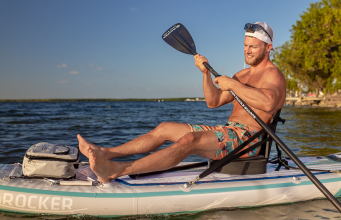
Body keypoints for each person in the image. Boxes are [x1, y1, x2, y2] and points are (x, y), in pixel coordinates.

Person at [77, 22, 286, 183]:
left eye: (253, 47)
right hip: (228, 131)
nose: (247, 51)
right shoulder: (241, 74)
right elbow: (213, 102)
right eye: (245, 46)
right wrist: (205, 74)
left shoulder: (273, 75)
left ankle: (116, 170)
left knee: (189, 140)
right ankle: (105, 153)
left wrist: (233, 85)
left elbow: (269, 103)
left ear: (268, 47)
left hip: (248, 141)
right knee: (165, 128)